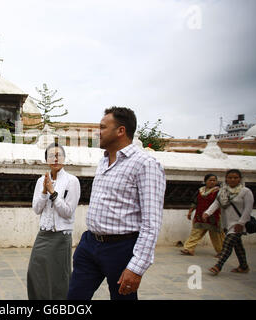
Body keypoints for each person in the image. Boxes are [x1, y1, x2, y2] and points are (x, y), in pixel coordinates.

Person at [67, 107, 166, 300]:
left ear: (120, 131)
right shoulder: (103, 161)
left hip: (121, 249)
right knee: (74, 298)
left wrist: (136, 267)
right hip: (90, 244)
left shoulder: (145, 164)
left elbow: (151, 222)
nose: (98, 132)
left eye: (103, 127)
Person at [27, 142, 81, 300]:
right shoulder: (40, 181)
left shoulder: (72, 181)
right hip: (43, 234)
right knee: (35, 271)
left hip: (61, 236)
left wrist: (53, 192)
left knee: (59, 276)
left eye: (59, 155)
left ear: (64, 159)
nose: (55, 159)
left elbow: (68, 212)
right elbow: (37, 209)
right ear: (46, 160)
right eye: (51, 156)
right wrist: (44, 191)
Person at [203, 169, 254, 275]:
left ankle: (218, 266)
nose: (232, 180)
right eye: (230, 177)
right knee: (237, 245)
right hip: (227, 223)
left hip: (239, 224)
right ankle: (244, 266)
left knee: (227, 244)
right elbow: (216, 203)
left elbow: (248, 209)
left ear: (240, 179)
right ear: (226, 178)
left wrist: (241, 223)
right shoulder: (223, 191)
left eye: (235, 177)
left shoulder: (246, 192)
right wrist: (207, 213)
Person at [180, 174, 225, 257]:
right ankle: (189, 249)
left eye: (214, 180)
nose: (212, 182)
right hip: (199, 216)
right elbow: (195, 202)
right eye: (210, 180)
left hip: (213, 217)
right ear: (205, 181)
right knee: (195, 233)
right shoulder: (200, 191)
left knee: (216, 236)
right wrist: (190, 212)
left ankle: (221, 252)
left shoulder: (219, 191)